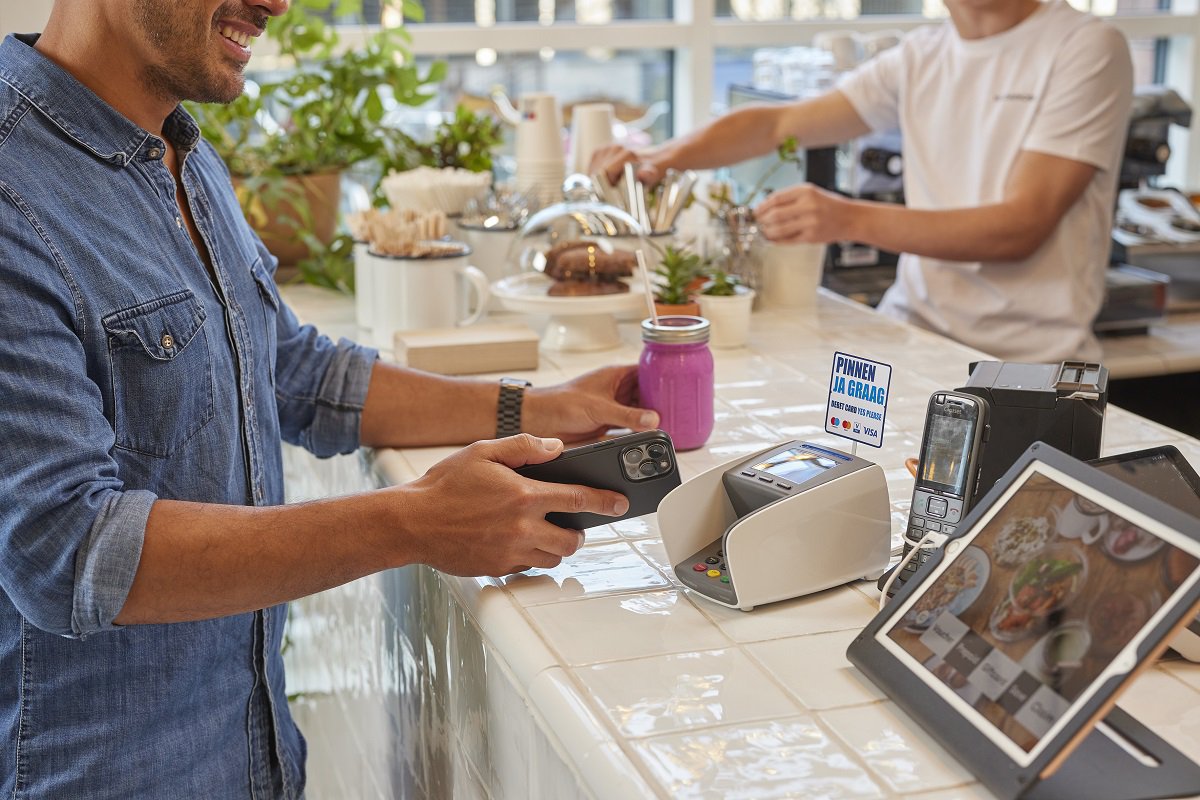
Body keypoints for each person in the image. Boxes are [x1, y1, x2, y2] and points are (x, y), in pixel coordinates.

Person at [0, 1, 661, 797]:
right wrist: (412, 521)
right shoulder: (13, 192)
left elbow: (289, 370)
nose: (277, 2)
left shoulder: (178, 150)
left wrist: (536, 408)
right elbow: (65, 550)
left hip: (255, 755)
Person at [593, 0, 1133, 363]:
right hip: (916, 338)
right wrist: (662, 157)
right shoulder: (922, 54)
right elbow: (779, 123)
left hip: (1034, 364)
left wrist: (844, 217)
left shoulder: (1084, 46)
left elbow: (1020, 227)